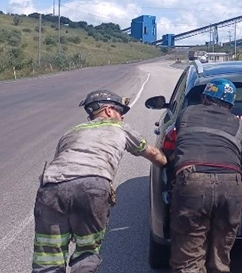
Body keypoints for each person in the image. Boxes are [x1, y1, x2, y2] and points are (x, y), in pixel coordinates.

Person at [32, 90, 167, 273]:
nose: (122, 116)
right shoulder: (121, 128)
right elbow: (152, 153)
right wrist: (167, 163)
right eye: (121, 112)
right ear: (109, 110)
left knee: (48, 257)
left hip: (50, 189)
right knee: (86, 253)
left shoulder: (72, 131)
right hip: (91, 187)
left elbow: (59, 159)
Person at [169, 78, 242, 273]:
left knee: (189, 255)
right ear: (231, 105)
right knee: (221, 253)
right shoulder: (240, 126)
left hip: (193, 181)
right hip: (231, 185)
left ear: (204, 97)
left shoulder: (186, 114)